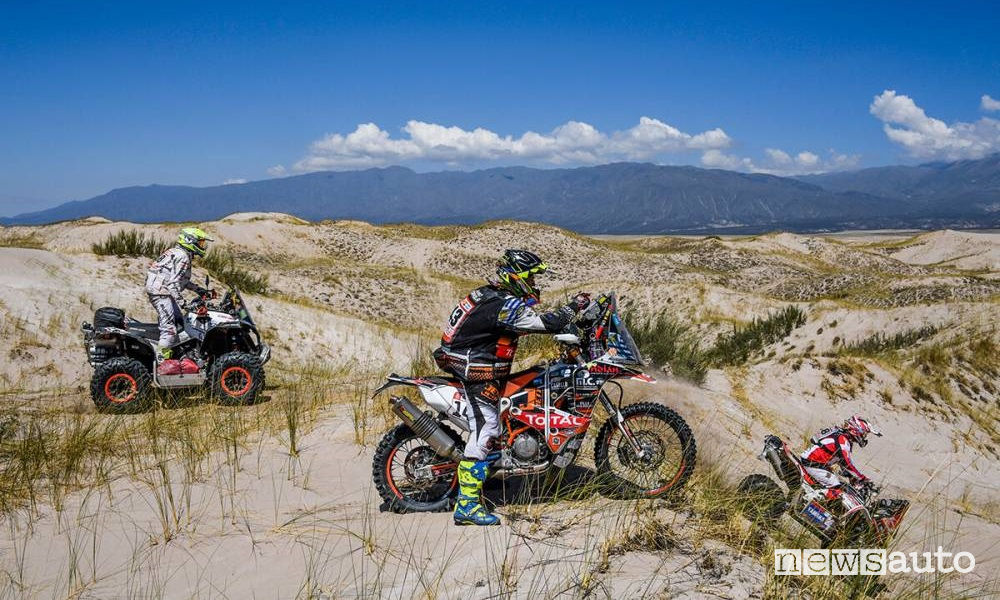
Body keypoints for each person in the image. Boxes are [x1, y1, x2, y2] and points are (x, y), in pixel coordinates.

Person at [434, 249, 589, 526]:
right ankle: (467, 506)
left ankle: (490, 471)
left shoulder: (489, 295)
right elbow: (545, 323)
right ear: (516, 276)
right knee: (488, 429)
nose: (535, 282)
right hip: (476, 369)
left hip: (471, 360)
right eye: (532, 277)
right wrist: (574, 307)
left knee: (513, 406)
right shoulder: (503, 305)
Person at [145, 227, 214, 375]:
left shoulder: (177, 252)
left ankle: (175, 354)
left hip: (161, 290)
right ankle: (161, 364)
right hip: (161, 292)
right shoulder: (182, 256)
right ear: (190, 241)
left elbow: (179, 280)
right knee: (169, 330)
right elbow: (173, 284)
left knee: (179, 322)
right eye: (200, 243)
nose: (203, 246)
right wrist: (184, 303)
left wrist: (197, 289)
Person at [800, 415, 881, 500]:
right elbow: (847, 463)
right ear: (856, 430)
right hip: (813, 463)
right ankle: (808, 499)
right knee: (836, 485)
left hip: (814, 461)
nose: (864, 437)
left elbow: (841, 461)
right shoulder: (843, 441)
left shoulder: (838, 433)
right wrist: (862, 478)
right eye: (864, 434)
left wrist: (851, 477)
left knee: (835, 479)